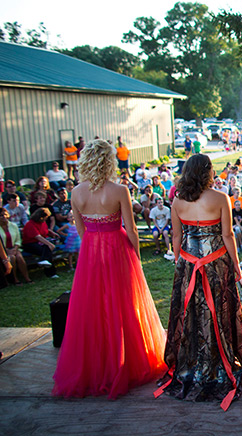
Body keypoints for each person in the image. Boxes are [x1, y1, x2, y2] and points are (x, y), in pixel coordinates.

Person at [53, 139, 166, 399]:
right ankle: (125, 362)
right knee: (124, 304)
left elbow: (81, 230)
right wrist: (135, 255)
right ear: (109, 161)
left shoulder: (76, 192)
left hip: (91, 251)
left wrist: (93, 247)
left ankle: (98, 365)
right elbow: (132, 228)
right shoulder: (119, 190)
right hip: (117, 248)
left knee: (93, 307)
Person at [157, 154, 242, 410]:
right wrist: (236, 265)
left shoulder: (177, 200)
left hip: (188, 263)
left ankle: (194, 364)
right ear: (208, 172)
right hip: (216, 263)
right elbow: (228, 234)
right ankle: (219, 366)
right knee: (217, 311)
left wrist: (181, 262)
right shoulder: (220, 198)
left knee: (193, 314)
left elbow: (177, 236)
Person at [0, 207, 32, 284]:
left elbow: (18, 239)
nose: (3, 216)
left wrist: (15, 248)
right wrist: (6, 250)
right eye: (1, 215)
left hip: (15, 248)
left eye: (5, 214)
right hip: (4, 250)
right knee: (12, 258)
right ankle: (15, 279)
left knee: (19, 257)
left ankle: (27, 278)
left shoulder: (13, 225)